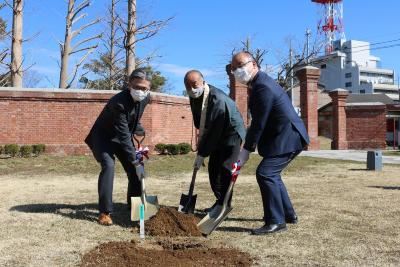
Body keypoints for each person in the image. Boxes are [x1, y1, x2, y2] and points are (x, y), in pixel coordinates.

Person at [232, 51, 310, 235]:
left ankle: (276, 221)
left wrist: (246, 151)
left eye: (241, 65)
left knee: (266, 173)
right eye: (234, 68)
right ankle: (288, 215)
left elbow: (259, 122)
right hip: (284, 136)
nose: (237, 71)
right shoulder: (258, 83)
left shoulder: (263, 86)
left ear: (254, 64)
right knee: (272, 174)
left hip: (289, 137)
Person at [85, 68, 151, 226]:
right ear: (129, 85)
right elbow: (123, 133)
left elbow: (133, 116)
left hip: (121, 136)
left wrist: (138, 127)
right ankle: (104, 212)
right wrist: (135, 159)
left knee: (134, 169)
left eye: (144, 89)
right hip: (103, 137)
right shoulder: (118, 102)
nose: (141, 91)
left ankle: (134, 205)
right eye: (137, 87)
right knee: (109, 165)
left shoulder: (146, 99)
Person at [184, 70, 246, 213]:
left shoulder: (217, 99)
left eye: (194, 85)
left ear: (203, 81)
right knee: (213, 169)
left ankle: (225, 205)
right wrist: (201, 145)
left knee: (225, 167)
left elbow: (214, 132)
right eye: (188, 86)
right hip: (216, 131)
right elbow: (201, 122)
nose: (192, 89)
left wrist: (202, 154)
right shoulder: (194, 96)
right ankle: (220, 201)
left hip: (232, 132)